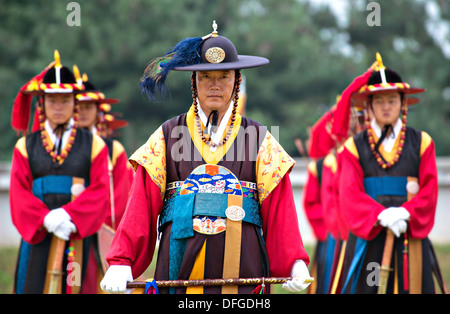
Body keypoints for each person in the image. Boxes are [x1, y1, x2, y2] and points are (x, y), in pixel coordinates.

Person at [101, 21, 311, 294]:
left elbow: (280, 210)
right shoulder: (167, 135)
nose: (215, 86)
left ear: (236, 81)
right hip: (178, 271)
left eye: (224, 76)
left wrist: (295, 261)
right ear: (194, 82)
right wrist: (122, 261)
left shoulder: (260, 139)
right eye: (205, 77)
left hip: (243, 276)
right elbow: (141, 204)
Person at [338, 53, 443, 294]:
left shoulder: (423, 142)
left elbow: (429, 190)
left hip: (410, 234)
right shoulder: (354, 146)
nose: (386, 107)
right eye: (379, 101)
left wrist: (406, 213)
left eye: (392, 100)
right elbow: (349, 192)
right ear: (369, 105)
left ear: (403, 103)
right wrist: (380, 216)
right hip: (370, 235)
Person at [9, 51, 110, 294]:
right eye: (52, 99)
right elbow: (18, 193)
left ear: (75, 103)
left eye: (65, 100)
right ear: (42, 102)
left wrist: (69, 215)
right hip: (37, 233)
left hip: (75, 231)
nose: (58, 106)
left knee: (74, 287)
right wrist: (45, 218)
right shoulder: (25, 146)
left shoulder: (94, 145)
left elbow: (100, 189)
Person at [75, 72, 132, 230]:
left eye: (88, 107)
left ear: (98, 110)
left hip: (103, 227)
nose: (83, 112)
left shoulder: (114, 150)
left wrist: (103, 227)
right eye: (78, 106)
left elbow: (120, 198)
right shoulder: (59, 148)